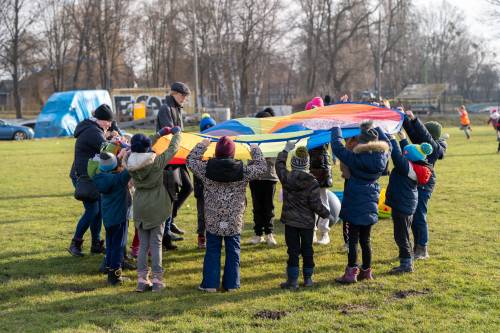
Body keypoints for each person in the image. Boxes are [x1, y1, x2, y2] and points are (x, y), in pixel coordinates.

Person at [187, 136, 266, 292]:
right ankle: (232, 285)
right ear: (233, 152)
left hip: (213, 217)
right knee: (233, 250)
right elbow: (262, 167)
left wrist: (203, 144)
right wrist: (255, 149)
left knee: (212, 250)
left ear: (216, 152)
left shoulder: (205, 168)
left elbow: (190, 160)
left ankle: (209, 284)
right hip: (234, 218)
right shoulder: (242, 170)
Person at [330, 122, 390, 283]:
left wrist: (336, 127)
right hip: (371, 202)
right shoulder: (383, 157)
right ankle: (366, 272)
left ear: (361, 142)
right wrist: (377, 126)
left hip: (354, 202)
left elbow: (337, 147)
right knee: (366, 240)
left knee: (353, 241)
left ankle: (351, 273)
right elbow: (388, 144)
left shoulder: (355, 158)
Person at [124, 126, 182, 292]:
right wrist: (176, 134)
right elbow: (173, 148)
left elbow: (139, 144)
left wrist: (158, 134)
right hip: (157, 205)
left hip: (140, 205)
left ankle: (142, 280)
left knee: (143, 245)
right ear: (147, 147)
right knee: (156, 244)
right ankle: (157, 279)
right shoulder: (156, 162)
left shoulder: (129, 159)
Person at [276, 143, 330, 289]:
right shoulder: (312, 182)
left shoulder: (286, 177)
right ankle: (308, 280)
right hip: (307, 224)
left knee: (292, 251)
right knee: (307, 250)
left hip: (290, 222)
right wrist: (326, 214)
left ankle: (292, 281)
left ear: (293, 163)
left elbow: (279, 165)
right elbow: (315, 204)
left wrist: (286, 150)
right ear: (307, 164)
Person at [68, 104, 113, 257]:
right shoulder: (93, 131)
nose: (109, 124)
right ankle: (75, 243)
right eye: (107, 121)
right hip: (83, 176)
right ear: (100, 120)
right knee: (92, 210)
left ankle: (96, 244)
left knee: (98, 210)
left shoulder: (94, 129)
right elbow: (106, 150)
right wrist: (118, 144)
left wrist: (111, 137)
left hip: (90, 174)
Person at [385, 132, 433, 274]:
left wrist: (392, 139)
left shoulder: (407, 168)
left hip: (402, 205)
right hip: (405, 204)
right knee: (402, 234)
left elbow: (398, 156)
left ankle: (406, 265)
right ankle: (407, 261)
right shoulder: (415, 166)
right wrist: (403, 138)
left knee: (402, 236)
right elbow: (410, 152)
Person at [402, 110, 447, 259]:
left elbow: (423, 134)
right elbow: (414, 133)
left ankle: (422, 249)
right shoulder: (423, 143)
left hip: (426, 181)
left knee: (419, 214)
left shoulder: (433, 148)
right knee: (413, 214)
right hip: (417, 179)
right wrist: (403, 117)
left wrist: (415, 119)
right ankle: (415, 248)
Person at [156, 82, 193, 249]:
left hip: (179, 156)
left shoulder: (177, 108)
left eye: (185, 96)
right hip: (169, 158)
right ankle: (166, 236)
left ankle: (171, 221)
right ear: (174, 93)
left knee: (188, 187)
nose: (185, 99)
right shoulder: (166, 108)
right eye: (182, 95)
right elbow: (171, 132)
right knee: (171, 195)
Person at [93, 151, 131, 285]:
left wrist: (119, 157)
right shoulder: (119, 179)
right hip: (120, 217)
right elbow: (131, 168)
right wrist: (127, 154)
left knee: (110, 244)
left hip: (108, 218)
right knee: (118, 246)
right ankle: (115, 277)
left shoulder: (98, 176)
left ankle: (109, 268)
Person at [304, 98, 333, 244]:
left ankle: (324, 233)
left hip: (322, 167)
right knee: (311, 201)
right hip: (310, 167)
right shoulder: (307, 126)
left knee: (322, 200)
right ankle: (313, 231)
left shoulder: (324, 124)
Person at [249, 108, 279, 246]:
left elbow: (274, 157)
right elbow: (249, 157)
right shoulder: (251, 139)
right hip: (255, 178)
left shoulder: (273, 138)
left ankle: (269, 233)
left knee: (269, 207)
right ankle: (258, 233)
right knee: (257, 207)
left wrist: (263, 156)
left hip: (269, 178)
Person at [194, 114, 217, 249]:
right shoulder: (197, 143)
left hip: (214, 186)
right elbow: (192, 161)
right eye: (206, 129)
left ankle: (213, 236)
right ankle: (201, 237)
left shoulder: (218, 143)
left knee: (214, 212)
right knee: (202, 214)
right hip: (201, 186)